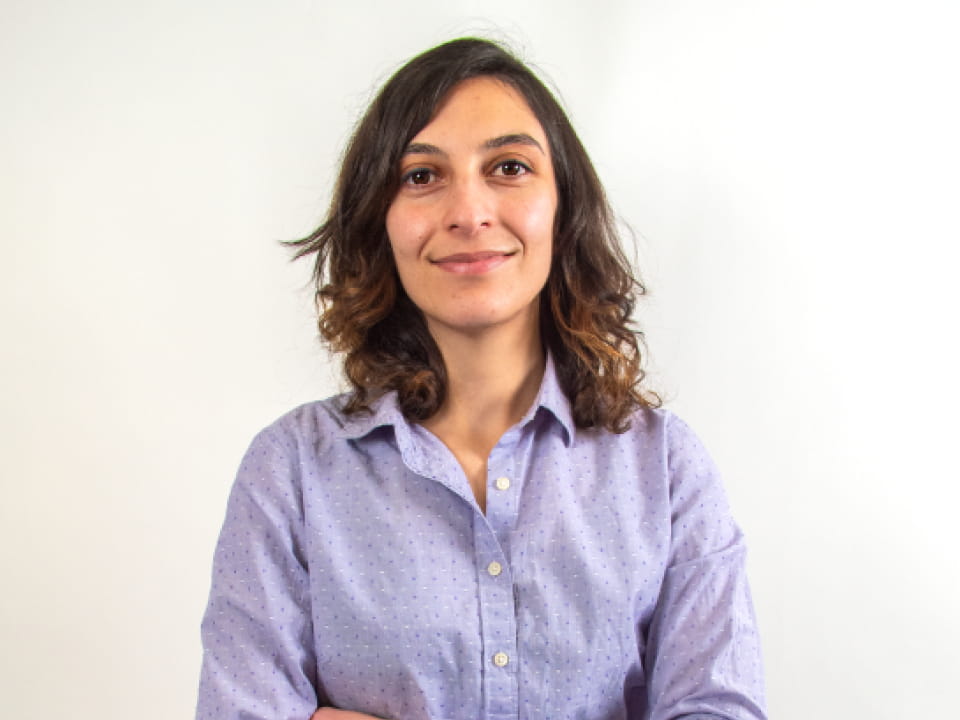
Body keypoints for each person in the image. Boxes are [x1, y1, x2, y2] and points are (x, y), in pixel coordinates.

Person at [196, 37, 766, 720]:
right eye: (421, 176)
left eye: (509, 167)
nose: (468, 213)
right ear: (380, 221)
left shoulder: (665, 469)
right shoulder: (291, 472)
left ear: (564, 207)